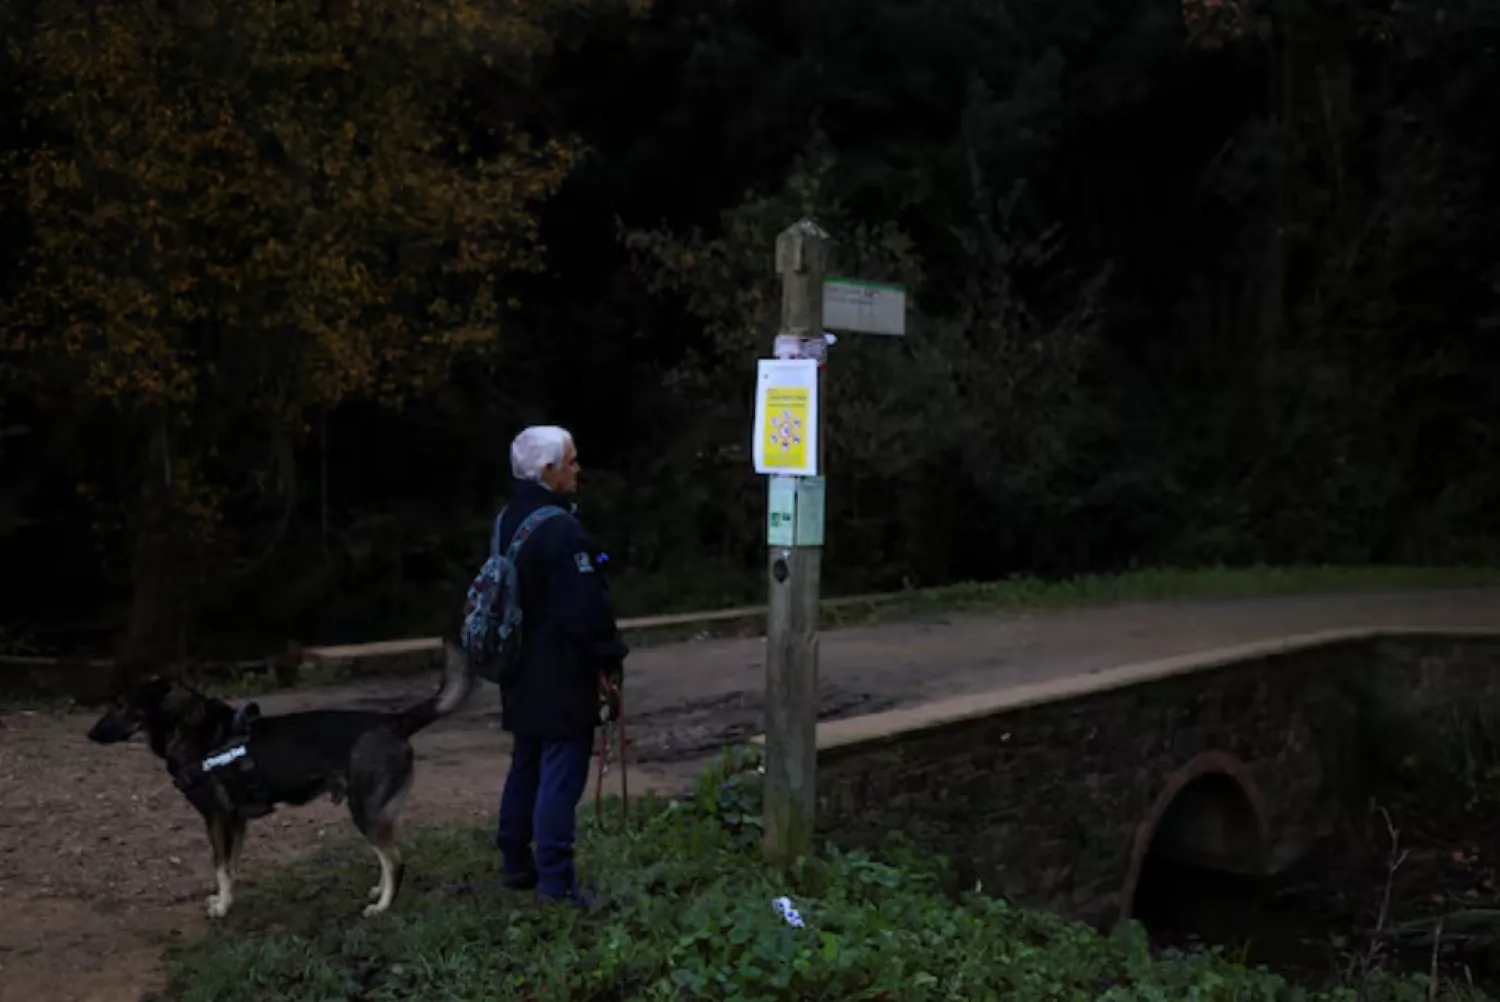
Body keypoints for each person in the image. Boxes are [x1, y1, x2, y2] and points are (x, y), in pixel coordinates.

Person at [492, 425, 627, 908]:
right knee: (561, 774)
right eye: (570, 461)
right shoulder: (562, 530)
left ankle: (514, 859)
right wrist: (610, 656)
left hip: (517, 667)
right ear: (548, 471)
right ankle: (556, 881)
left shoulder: (508, 520)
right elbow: (585, 610)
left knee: (525, 763)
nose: (577, 469)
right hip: (561, 673)